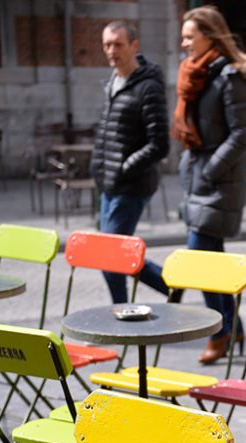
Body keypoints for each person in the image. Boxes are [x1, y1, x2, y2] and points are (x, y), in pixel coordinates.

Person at [173, 6, 246, 365]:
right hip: (200, 174)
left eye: (190, 36)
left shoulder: (230, 77)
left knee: (199, 257)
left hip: (220, 179)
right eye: (184, 36)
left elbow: (241, 135)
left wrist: (210, 170)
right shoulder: (197, 74)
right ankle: (232, 326)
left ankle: (220, 332)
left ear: (210, 36)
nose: (184, 42)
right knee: (212, 260)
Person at [91, 20, 170, 303]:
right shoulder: (112, 82)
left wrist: (125, 167)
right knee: (117, 255)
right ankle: (170, 286)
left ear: (134, 46)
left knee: (109, 258)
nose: (111, 51)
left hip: (132, 184)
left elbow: (159, 144)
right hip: (108, 182)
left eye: (118, 44)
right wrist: (98, 167)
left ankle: (122, 313)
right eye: (107, 45)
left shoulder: (148, 87)